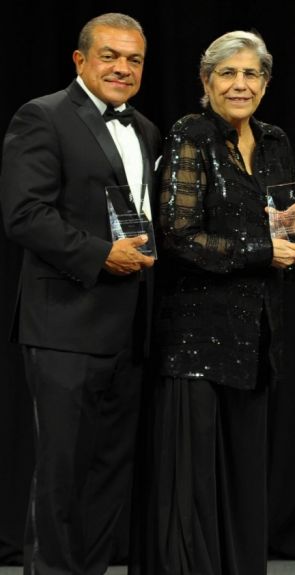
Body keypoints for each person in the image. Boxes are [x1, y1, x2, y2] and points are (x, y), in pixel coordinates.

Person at [128, 31, 295, 575]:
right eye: (227, 73)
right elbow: (177, 236)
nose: (240, 84)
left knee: (242, 481)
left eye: (251, 73)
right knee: (191, 488)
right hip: (193, 340)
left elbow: (281, 228)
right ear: (206, 82)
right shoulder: (191, 133)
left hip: (255, 337)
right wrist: (264, 249)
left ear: (266, 83)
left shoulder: (275, 141)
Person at [0, 13, 159, 575]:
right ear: (80, 60)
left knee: (109, 474)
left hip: (130, 327)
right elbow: (25, 214)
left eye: (134, 60)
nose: (122, 68)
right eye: (110, 56)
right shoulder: (42, 116)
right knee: (62, 473)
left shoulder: (146, 129)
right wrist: (99, 255)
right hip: (65, 324)